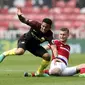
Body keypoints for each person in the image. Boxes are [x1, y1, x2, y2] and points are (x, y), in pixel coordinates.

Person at [0, 8, 57, 76]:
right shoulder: (35, 24)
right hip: (25, 40)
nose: (44, 28)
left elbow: (53, 48)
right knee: (20, 52)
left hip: (34, 46)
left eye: (46, 27)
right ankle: (4, 54)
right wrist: (19, 16)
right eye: (43, 26)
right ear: (41, 24)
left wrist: (56, 58)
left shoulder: (50, 35)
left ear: (50, 27)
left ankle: (39, 72)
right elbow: (24, 20)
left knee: (47, 56)